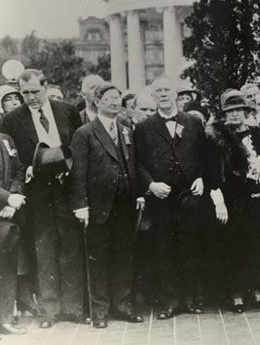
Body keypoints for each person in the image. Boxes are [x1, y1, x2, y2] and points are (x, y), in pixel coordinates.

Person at [0, 69, 84, 328]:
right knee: (44, 249)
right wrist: (25, 167)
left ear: (46, 87)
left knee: (71, 247)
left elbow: (79, 149)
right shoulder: (12, 120)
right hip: (36, 194)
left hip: (66, 189)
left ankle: (74, 308)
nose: (31, 98)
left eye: (35, 92)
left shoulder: (67, 111)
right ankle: (51, 310)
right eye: (25, 93)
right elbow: (11, 158)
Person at [69, 83, 144, 328]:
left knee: (124, 256)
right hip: (99, 205)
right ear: (97, 101)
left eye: (117, 98)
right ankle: (100, 311)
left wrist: (138, 193)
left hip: (124, 203)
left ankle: (123, 305)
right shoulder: (85, 132)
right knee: (98, 259)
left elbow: (133, 163)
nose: (114, 102)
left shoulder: (126, 130)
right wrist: (81, 205)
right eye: (109, 98)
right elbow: (78, 172)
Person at [134, 76, 208, 319]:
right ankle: (170, 301)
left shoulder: (193, 123)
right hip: (162, 197)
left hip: (189, 195)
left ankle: (192, 298)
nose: (163, 94)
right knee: (164, 249)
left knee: (192, 246)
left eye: (167, 90)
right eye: (158, 91)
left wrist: (200, 178)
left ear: (175, 94)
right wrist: (151, 184)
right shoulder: (144, 127)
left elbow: (204, 155)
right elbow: (138, 162)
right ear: (153, 97)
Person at [206, 89, 260, 313]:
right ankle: (236, 292)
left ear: (246, 111)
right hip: (234, 200)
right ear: (224, 114)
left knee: (258, 243)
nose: (235, 115)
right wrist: (219, 201)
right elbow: (213, 171)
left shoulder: (259, 134)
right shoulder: (218, 138)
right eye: (230, 111)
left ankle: (256, 288)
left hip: (258, 198)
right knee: (235, 245)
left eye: (239, 110)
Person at [0, 131, 28, 335]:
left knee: (7, 266)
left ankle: (4, 318)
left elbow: (18, 169)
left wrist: (15, 197)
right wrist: (7, 198)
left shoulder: (6, 139)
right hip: (5, 204)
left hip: (7, 214)